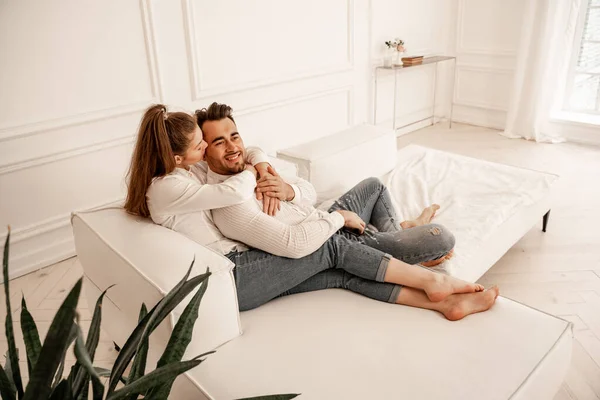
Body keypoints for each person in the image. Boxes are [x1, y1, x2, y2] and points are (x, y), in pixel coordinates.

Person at [196, 102, 499, 320]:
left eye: (234, 136)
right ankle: (434, 286)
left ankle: (397, 238)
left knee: (373, 186)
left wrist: (289, 189)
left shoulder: (253, 167)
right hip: (320, 235)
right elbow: (295, 244)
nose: (232, 146)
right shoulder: (228, 199)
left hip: (320, 222)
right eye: (219, 142)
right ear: (203, 151)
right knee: (439, 237)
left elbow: (309, 193)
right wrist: (339, 218)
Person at [124, 104, 277, 256]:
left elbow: (248, 150)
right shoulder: (165, 187)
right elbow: (234, 193)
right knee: (299, 250)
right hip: (225, 259)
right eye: (199, 146)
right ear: (177, 158)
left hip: (237, 247)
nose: (206, 145)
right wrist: (250, 169)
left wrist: (263, 169)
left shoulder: (190, 168)